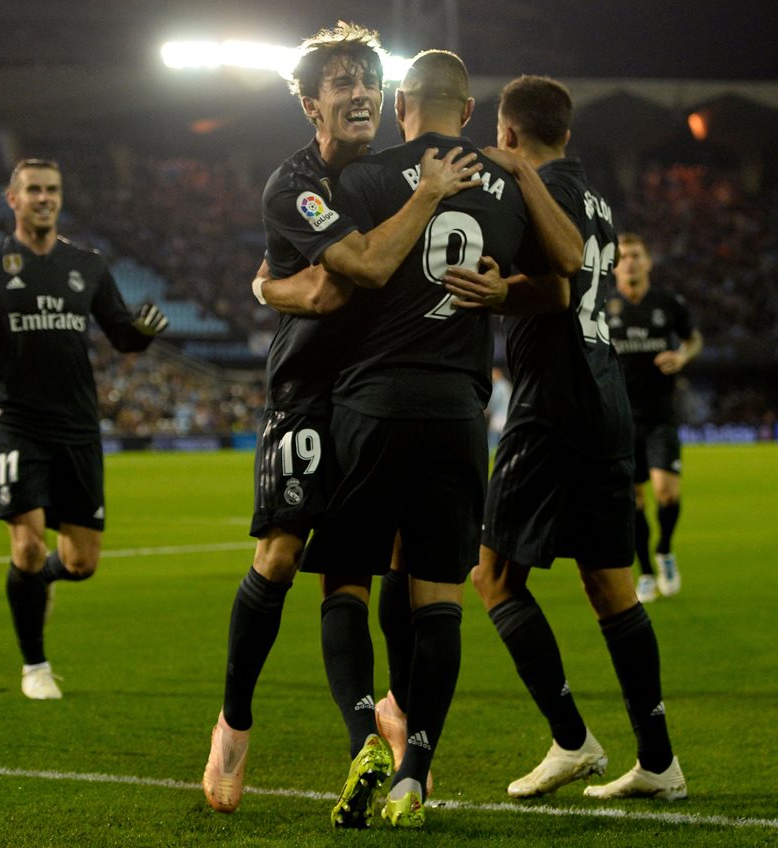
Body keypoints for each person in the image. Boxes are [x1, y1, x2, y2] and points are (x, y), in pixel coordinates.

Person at [201, 23, 484, 826]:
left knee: (403, 556)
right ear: (310, 104)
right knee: (283, 554)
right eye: (341, 83)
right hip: (309, 388)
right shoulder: (295, 184)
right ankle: (234, 721)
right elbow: (331, 291)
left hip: (382, 392)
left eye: (368, 78)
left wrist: (272, 286)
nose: (359, 91)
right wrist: (274, 291)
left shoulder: (395, 169)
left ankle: (390, 714)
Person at [292, 50, 578, 828]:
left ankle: (364, 739)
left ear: (402, 105)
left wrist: (264, 286)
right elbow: (563, 278)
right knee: (438, 596)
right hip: (459, 413)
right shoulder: (507, 186)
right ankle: (416, 772)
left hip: (371, 406)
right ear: (470, 105)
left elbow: (333, 281)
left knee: (344, 580)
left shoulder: (364, 179)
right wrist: (503, 287)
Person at [446, 75, 687, 802]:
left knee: (491, 577)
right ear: (569, 134)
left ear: (507, 131)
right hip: (605, 395)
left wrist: (497, 293)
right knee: (610, 586)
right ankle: (658, 761)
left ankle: (572, 740)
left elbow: (556, 280)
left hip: (552, 401)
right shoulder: (597, 197)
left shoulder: (526, 186)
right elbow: (572, 273)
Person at [0, 158, 169, 701]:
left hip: (77, 425)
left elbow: (122, 336)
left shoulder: (88, 265)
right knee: (26, 546)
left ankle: (45, 581)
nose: (44, 198)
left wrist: (143, 331)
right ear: (13, 198)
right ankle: (35, 665)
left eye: (52, 190)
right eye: (33, 190)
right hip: (18, 421)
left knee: (80, 562)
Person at [607, 234, 702, 601]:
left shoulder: (667, 303)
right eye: (624, 257)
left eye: (636, 255)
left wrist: (682, 356)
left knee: (666, 493)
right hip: (620, 419)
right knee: (633, 503)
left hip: (661, 416)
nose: (629, 262)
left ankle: (664, 551)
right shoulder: (603, 305)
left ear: (648, 261)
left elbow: (693, 340)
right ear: (614, 266)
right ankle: (645, 570)